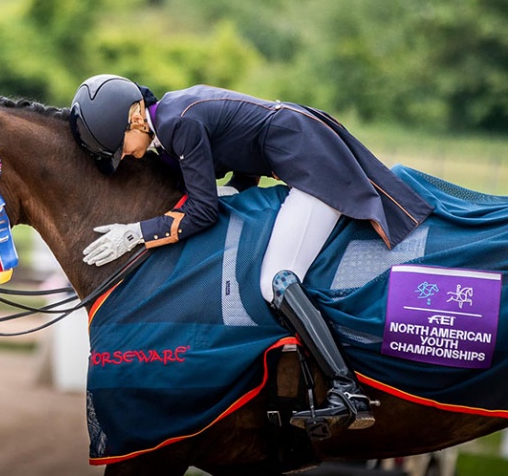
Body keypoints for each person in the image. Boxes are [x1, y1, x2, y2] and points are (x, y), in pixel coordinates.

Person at [69, 75, 433, 432]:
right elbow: (242, 142)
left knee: (276, 280)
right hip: (295, 152)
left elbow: (203, 211)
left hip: (312, 166)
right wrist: (236, 190)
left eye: (122, 145)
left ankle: (346, 389)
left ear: (134, 118)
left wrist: (137, 234)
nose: (128, 155)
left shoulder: (178, 123)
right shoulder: (172, 115)